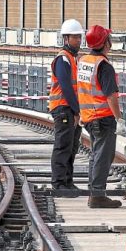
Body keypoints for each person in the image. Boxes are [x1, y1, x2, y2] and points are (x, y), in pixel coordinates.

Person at [76, 25, 125, 209]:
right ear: (105, 43)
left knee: (96, 155)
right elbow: (111, 95)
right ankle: (97, 195)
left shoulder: (84, 61)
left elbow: (82, 89)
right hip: (102, 118)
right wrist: (119, 119)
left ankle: (94, 192)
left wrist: (82, 113)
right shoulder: (103, 66)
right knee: (103, 156)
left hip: (89, 116)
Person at [49, 19, 84, 195]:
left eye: (79, 37)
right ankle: (58, 183)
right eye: (75, 37)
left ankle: (68, 181)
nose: (78, 40)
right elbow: (66, 86)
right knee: (63, 145)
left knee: (72, 146)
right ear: (66, 38)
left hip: (70, 108)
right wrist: (77, 110)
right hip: (63, 107)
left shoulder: (73, 59)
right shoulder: (63, 59)